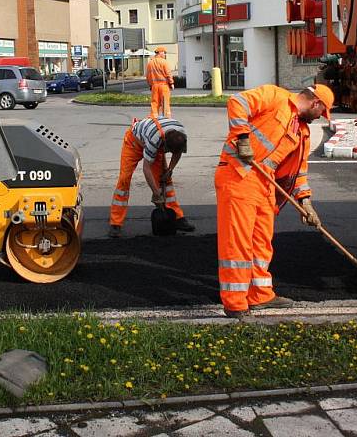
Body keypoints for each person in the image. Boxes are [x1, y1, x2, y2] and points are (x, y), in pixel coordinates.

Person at [215, 84, 334, 318]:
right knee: (238, 243)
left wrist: (305, 201)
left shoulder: (302, 132)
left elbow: (298, 172)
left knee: (261, 242)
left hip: (265, 183)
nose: (320, 117)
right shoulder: (274, 96)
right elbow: (237, 102)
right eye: (322, 112)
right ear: (316, 103)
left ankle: (260, 294)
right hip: (239, 175)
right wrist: (242, 139)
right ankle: (235, 303)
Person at [109, 115, 195, 238]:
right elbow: (146, 168)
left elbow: (178, 152)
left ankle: (177, 217)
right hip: (133, 143)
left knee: (165, 180)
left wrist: (169, 170)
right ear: (165, 144)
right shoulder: (155, 139)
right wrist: (156, 193)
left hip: (155, 141)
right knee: (124, 180)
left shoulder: (181, 134)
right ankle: (115, 223)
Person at [146, 46, 174, 117]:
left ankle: (154, 119)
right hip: (164, 86)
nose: (165, 55)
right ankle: (166, 119)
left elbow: (148, 76)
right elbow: (168, 74)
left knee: (155, 103)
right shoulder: (164, 62)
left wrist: (150, 85)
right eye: (164, 53)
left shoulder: (150, 63)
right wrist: (171, 83)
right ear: (160, 53)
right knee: (165, 103)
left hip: (154, 87)